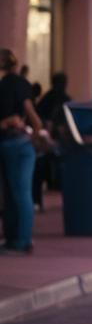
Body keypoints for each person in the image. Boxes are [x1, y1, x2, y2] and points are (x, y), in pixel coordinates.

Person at [0, 49, 43, 253]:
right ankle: (20, 239)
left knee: (12, 194)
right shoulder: (23, 84)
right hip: (23, 143)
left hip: (9, 143)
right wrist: (33, 138)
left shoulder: (4, 86)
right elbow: (33, 117)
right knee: (22, 193)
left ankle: (18, 240)